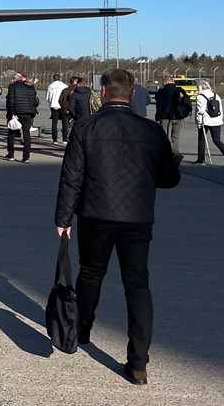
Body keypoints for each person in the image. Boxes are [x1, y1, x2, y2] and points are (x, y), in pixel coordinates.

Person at [55, 68, 181, 386]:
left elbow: (71, 178)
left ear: (104, 91)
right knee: (137, 285)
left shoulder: (85, 127)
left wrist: (63, 219)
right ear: (134, 92)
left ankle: (81, 329)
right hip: (137, 219)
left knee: (91, 273)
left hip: (96, 215)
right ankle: (138, 363)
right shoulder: (151, 131)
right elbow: (169, 180)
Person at [5, 72, 39, 162]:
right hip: (28, 113)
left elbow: (10, 101)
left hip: (16, 112)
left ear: (15, 79)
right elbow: (35, 101)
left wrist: (12, 114)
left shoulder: (13, 87)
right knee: (26, 134)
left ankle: (11, 154)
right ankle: (26, 157)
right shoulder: (30, 87)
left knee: (11, 134)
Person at [154, 75, 188, 156]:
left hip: (166, 116)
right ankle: (175, 154)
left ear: (164, 82)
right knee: (175, 137)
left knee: (165, 136)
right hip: (179, 116)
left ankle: (169, 153)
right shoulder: (179, 90)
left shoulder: (162, 91)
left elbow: (158, 103)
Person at [194, 80, 224, 164]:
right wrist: (220, 119)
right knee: (216, 140)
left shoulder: (200, 96)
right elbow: (220, 109)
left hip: (205, 121)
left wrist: (199, 122)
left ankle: (201, 159)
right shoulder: (216, 95)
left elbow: (200, 111)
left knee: (202, 139)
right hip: (216, 121)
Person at [46, 73, 70, 145]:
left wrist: (51, 102)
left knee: (54, 123)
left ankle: (55, 140)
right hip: (63, 106)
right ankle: (64, 139)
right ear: (60, 78)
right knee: (64, 123)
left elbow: (47, 98)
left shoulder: (50, 86)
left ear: (53, 78)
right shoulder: (64, 86)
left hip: (54, 105)